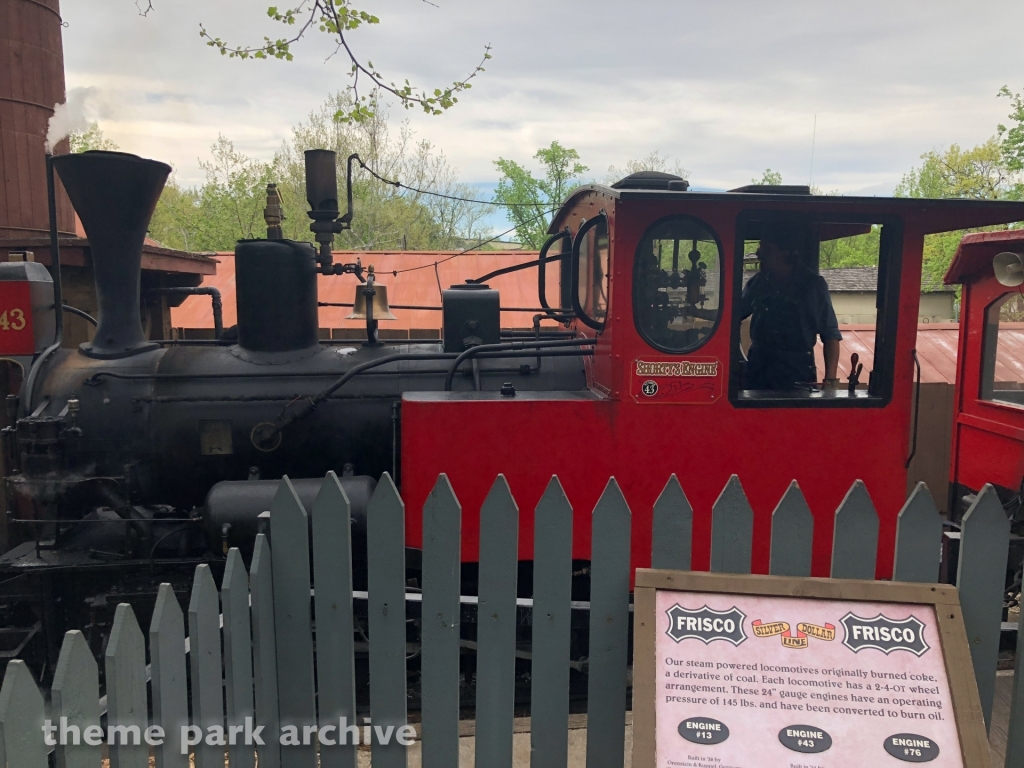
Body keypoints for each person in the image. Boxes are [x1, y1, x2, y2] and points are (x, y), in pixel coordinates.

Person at [740, 225, 842, 391]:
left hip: (796, 373)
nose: (759, 253)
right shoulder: (758, 282)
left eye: (766, 248)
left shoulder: (812, 285)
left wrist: (830, 383)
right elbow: (732, 314)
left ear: (785, 253)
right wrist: (699, 311)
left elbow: (830, 335)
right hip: (758, 371)